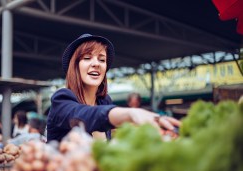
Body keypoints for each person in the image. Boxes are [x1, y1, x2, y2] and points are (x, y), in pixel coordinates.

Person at [47, 33, 180, 142]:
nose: (96, 64)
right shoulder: (62, 99)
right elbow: (84, 116)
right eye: (87, 58)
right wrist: (131, 113)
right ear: (75, 67)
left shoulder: (104, 101)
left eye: (102, 59)